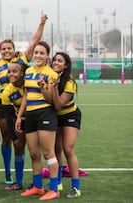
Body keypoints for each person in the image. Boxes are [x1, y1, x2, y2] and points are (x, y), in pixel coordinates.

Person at [0, 12, 47, 185]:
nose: (6, 51)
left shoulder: (22, 59)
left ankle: (27, 178)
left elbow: (35, 41)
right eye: (3, 49)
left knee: (22, 142)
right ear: (0, 51)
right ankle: (8, 173)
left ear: (13, 49)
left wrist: (42, 23)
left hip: (26, 104)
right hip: (4, 105)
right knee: (8, 139)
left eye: (9, 48)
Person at [16, 41, 59, 200]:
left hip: (45, 113)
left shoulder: (51, 74)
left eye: (42, 53)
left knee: (49, 153)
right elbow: (26, 95)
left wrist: (42, 87)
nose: (38, 56)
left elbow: (51, 101)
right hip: (31, 115)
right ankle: (38, 187)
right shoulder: (28, 71)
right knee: (34, 154)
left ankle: (54, 189)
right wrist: (20, 115)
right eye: (36, 52)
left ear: (47, 56)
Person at [51, 52, 82, 198]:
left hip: (70, 116)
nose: (56, 63)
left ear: (66, 65)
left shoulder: (69, 82)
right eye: (54, 60)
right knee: (56, 149)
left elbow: (58, 105)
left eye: (60, 61)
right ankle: (57, 182)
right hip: (55, 117)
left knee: (68, 149)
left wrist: (55, 87)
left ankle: (76, 187)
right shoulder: (49, 76)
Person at [0, 62, 27, 191]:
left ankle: (49, 182)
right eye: (9, 71)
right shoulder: (7, 92)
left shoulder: (29, 83)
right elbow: (9, 116)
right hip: (21, 121)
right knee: (18, 147)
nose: (11, 74)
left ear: (22, 73)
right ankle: (19, 182)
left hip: (38, 119)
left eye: (14, 71)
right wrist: (14, 136)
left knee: (37, 151)